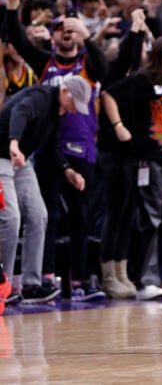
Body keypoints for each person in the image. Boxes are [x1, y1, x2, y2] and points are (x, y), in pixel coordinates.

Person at [100, 36, 162, 300]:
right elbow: (108, 94)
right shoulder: (144, 80)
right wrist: (119, 126)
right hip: (152, 159)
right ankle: (147, 279)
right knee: (150, 220)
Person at [0, 78, 90, 304]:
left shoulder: (57, 113)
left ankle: (31, 283)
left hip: (21, 161)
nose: (73, 109)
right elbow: (19, 112)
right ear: (65, 90)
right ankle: (4, 285)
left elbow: (52, 146)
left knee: (39, 215)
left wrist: (67, 170)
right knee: (11, 218)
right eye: (74, 102)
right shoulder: (40, 97)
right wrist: (14, 142)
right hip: (3, 156)